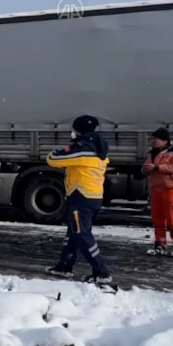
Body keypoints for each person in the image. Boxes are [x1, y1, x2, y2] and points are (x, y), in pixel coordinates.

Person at [45, 115, 112, 284]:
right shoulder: (98, 147)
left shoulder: (82, 149)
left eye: (74, 129)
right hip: (93, 196)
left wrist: (57, 151)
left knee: (82, 235)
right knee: (74, 233)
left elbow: (53, 159)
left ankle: (102, 271)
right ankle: (64, 266)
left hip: (80, 196)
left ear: (79, 130)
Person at [142, 128, 173, 257]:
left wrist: (156, 168)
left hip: (170, 188)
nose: (153, 141)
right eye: (152, 139)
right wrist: (145, 170)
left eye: (155, 139)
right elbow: (145, 168)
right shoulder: (151, 153)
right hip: (156, 188)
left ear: (164, 140)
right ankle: (160, 244)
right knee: (157, 218)